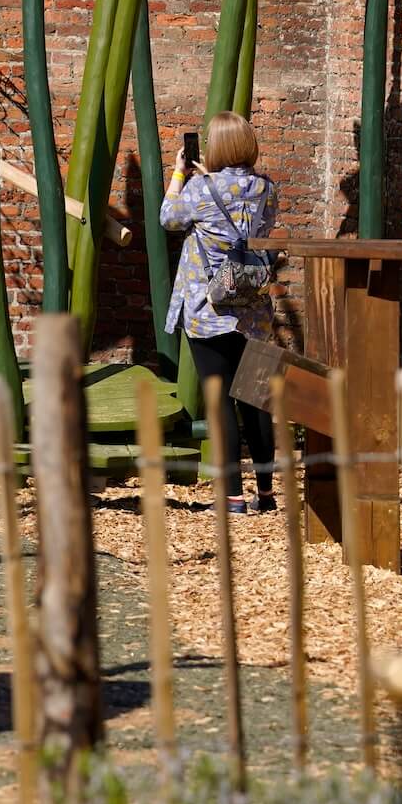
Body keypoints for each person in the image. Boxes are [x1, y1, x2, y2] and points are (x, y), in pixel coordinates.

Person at [161, 110, 278, 517]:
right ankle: (265, 493)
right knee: (255, 400)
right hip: (253, 309)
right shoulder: (266, 188)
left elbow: (168, 219)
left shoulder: (199, 188)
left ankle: (232, 499)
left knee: (219, 400)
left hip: (208, 309)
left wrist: (180, 174)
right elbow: (262, 231)